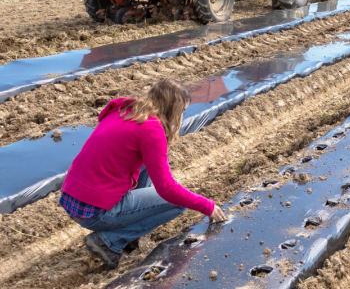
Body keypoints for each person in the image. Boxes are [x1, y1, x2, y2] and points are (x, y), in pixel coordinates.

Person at [59, 79, 227, 268]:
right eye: (182, 111)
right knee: (177, 203)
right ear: (173, 109)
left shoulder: (124, 111)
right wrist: (207, 205)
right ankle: (109, 241)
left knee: (146, 164)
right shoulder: (151, 129)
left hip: (73, 197)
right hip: (94, 212)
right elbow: (167, 188)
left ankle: (130, 236)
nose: (181, 116)